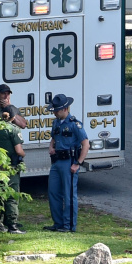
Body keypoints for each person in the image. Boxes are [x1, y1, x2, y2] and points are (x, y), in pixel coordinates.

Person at [44, 93, 89, 233]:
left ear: (65, 109)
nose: (55, 113)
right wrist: (51, 147)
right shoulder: (56, 122)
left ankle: (69, 225)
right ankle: (58, 223)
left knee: (68, 194)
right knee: (53, 192)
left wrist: (78, 163)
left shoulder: (75, 124)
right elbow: (54, 137)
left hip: (69, 162)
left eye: (56, 110)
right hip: (57, 161)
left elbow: (86, 144)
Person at [0, 104, 26, 234]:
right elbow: (19, 150)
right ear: (13, 116)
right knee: (11, 195)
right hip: (10, 167)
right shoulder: (13, 129)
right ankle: (12, 226)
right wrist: (23, 154)